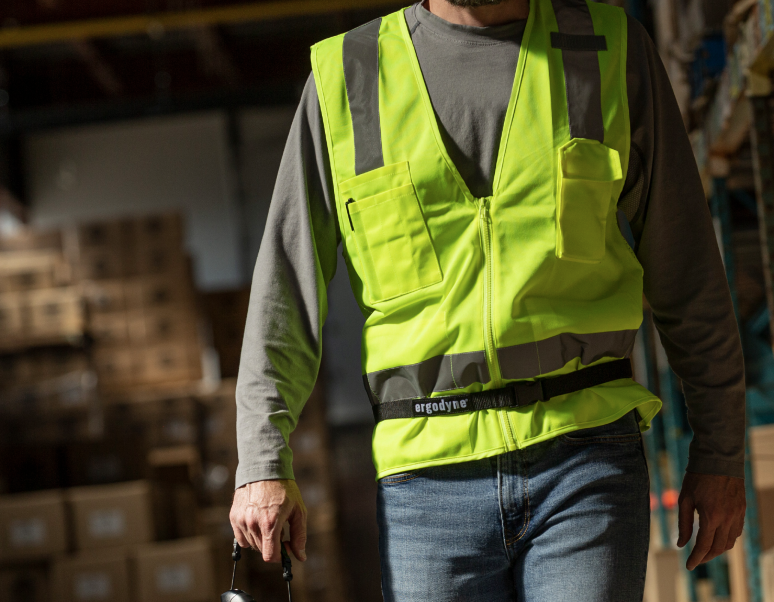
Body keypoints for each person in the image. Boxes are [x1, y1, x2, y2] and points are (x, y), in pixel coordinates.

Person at [229, 0, 746, 599]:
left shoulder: (608, 50)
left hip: (585, 457)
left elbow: (688, 271)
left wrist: (721, 449)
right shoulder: (347, 76)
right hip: (427, 480)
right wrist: (262, 460)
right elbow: (284, 289)